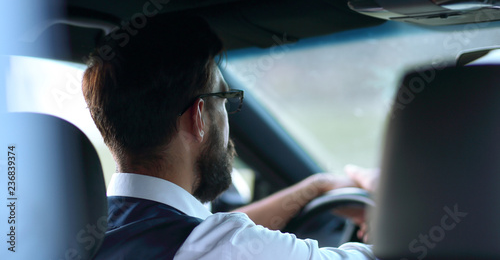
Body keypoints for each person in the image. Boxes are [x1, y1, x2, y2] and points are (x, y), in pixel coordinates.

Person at [83, 14, 378, 259]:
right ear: (198, 117)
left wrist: (316, 187)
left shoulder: (76, 232)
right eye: (224, 99)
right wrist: (398, 206)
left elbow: (199, 232)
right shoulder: (224, 247)